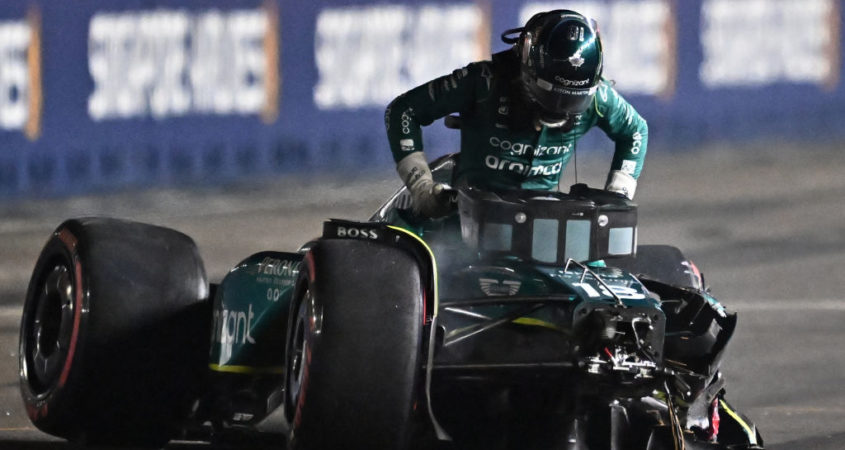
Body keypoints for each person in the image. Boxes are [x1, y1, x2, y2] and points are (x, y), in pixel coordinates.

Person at [385, 9, 647, 217]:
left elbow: (635, 131)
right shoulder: (484, 82)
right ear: (526, 65)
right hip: (466, 212)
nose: (560, 109)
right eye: (552, 95)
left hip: (545, 219)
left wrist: (618, 195)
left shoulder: (600, 97)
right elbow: (403, 111)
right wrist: (422, 190)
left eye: (572, 100)